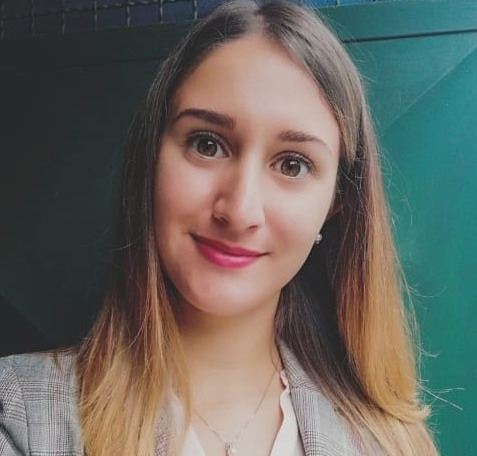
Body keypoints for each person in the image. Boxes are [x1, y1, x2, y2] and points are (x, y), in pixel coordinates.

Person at [0, 1, 438, 455]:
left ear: (335, 204)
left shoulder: (394, 444)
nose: (240, 210)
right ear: (151, 158)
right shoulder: (19, 415)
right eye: (207, 144)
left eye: (292, 164)